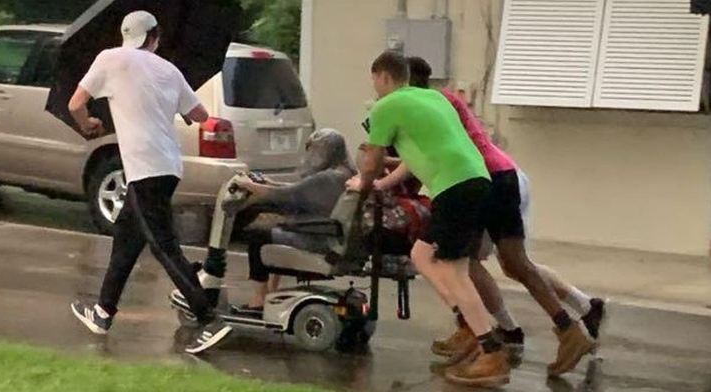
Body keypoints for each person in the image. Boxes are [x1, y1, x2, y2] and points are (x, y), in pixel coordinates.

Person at [387, 56, 601, 377]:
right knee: (509, 264)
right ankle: (564, 327)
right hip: (499, 174)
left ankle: (489, 335)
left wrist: (378, 176)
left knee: (456, 259)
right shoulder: (440, 101)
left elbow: (441, 152)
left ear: (404, 84)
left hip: (483, 180)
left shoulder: (429, 105)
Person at [67, 11, 231, 355]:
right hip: (169, 165)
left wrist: (89, 124)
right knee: (126, 241)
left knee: (162, 245)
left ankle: (208, 318)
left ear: (126, 35)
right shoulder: (168, 70)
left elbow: (76, 103)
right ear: (153, 36)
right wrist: (177, 107)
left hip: (144, 167)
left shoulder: (110, 59)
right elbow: (200, 115)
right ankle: (103, 311)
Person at [350, 51, 509, 388]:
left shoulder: (386, 106)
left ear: (384, 77)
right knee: (422, 255)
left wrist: (363, 186)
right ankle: (469, 326)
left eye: (375, 81)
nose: (375, 89)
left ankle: (491, 351)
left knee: (454, 270)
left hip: (455, 186)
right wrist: (380, 181)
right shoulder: (432, 98)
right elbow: (417, 152)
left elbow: (372, 160)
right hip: (474, 179)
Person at [175, 128, 357, 316]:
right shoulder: (345, 173)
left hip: (318, 239)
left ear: (324, 151)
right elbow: (299, 190)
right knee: (273, 227)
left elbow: (286, 195)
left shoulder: (327, 178)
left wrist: (249, 185)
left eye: (313, 150)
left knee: (258, 236)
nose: (309, 155)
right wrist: (267, 183)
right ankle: (271, 292)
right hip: (329, 235)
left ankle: (259, 300)